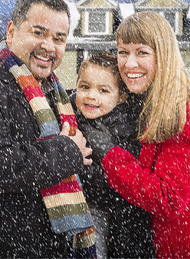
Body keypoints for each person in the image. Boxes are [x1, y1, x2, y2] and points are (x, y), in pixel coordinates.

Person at [0, 0, 93, 258]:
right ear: (12, 32)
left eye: (58, 39)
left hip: (59, 250)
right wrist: (65, 151)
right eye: (38, 33)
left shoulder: (60, 100)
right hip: (2, 250)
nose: (49, 46)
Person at [88, 11, 190, 258]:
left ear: (164, 55)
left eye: (142, 52)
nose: (129, 63)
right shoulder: (136, 104)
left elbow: (169, 199)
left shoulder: (186, 115)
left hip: (176, 251)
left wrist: (109, 153)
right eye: (123, 51)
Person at [73, 51, 155, 258]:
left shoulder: (122, 128)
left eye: (103, 90)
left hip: (108, 208)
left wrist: (82, 170)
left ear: (120, 98)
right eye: (85, 87)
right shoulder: (72, 117)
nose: (91, 95)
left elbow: (119, 174)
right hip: (81, 205)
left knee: (95, 249)